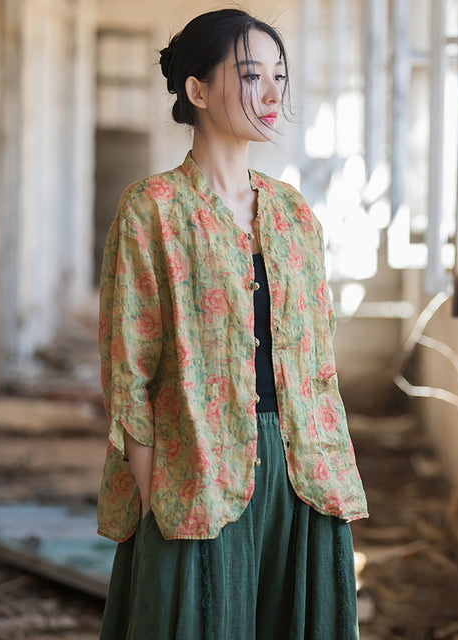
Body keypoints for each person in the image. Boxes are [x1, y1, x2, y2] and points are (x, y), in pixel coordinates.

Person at [97, 8, 368, 640]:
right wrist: (156, 490)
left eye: (280, 76)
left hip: (303, 476)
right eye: (252, 76)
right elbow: (128, 370)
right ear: (196, 90)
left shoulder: (293, 212)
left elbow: (318, 365)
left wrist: (327, 467)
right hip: (194, 474)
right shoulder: (153, 210)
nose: (275, 94)